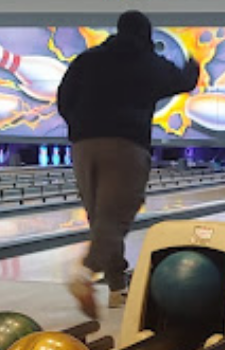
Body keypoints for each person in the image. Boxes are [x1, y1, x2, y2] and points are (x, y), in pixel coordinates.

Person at [57, 10, 200, 318]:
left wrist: (81, 127)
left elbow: (63, 98)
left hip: (83, 146)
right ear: (145, 35)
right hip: (125, 146)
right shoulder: (147, 62)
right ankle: (84, 272)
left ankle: (117, 289)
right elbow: (184, 81)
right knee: (115, 218)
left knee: (100, 219)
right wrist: (193, 63)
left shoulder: (87, 60)